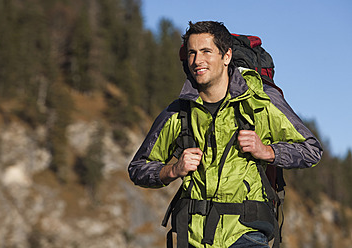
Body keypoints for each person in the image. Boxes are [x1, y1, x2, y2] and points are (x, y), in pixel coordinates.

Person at [128, 21, 322, 248]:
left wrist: (266, 151)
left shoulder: (260, 102)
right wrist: (172, 170)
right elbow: (138, 167)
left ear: (226, 56)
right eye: (192, 53)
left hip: (247, 233)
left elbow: (311, 150)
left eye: (206, 51)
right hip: (193, 237)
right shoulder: (178, 112)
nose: (197, 60)